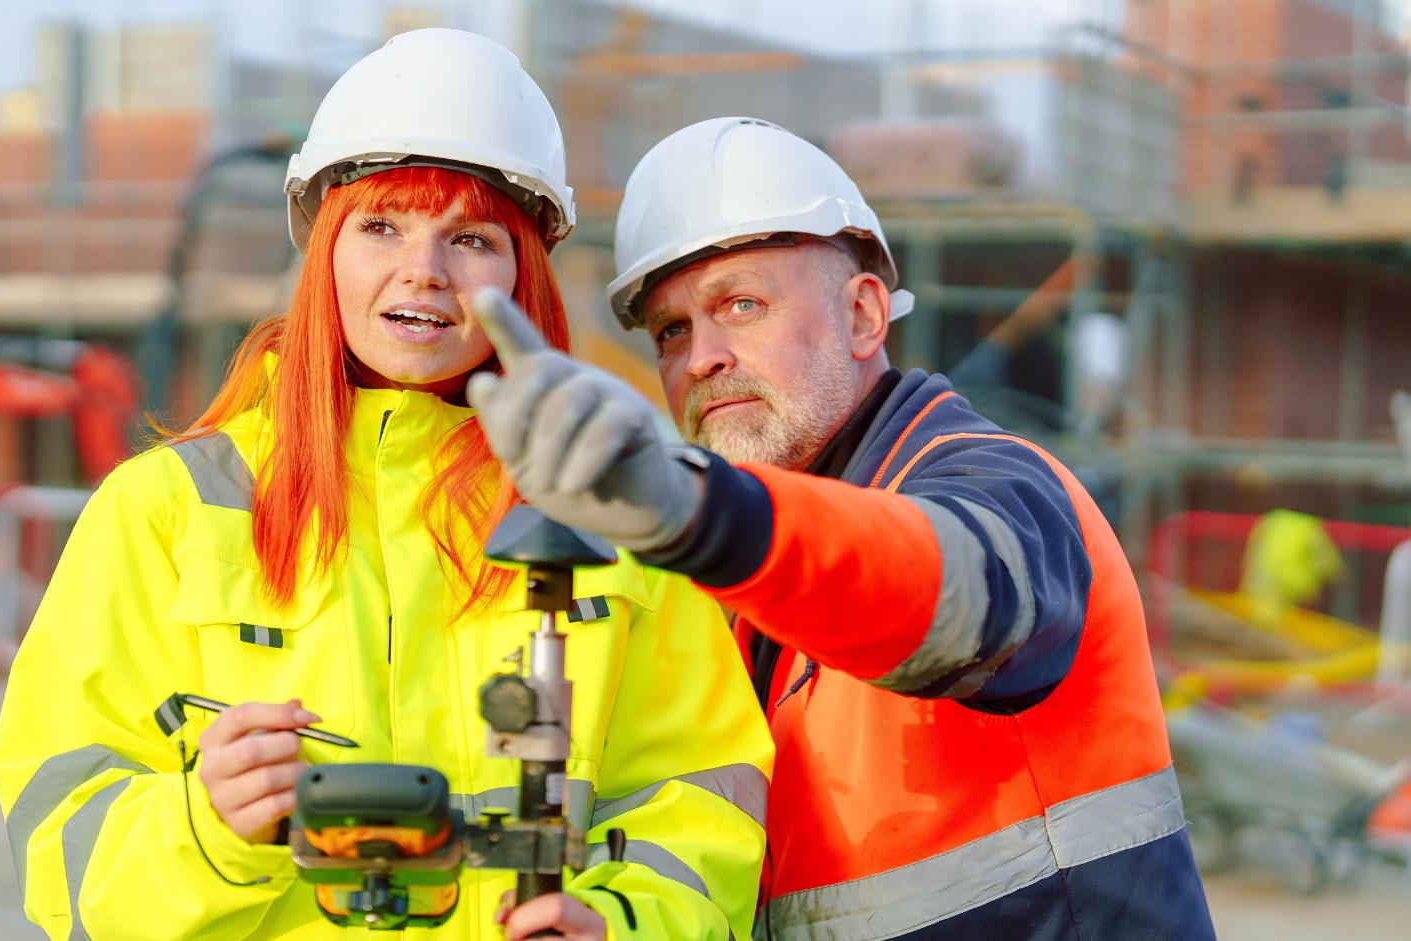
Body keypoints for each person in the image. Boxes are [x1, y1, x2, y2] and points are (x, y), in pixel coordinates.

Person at [0, 34, 771, 941]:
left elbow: (700, 802)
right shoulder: (161, 511)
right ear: (325, 249)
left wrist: (619, 924)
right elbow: (62, 847)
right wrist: (205, 829)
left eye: (471, 238)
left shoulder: (615, 516)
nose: (424, 272)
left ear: (524, 270)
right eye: (382, 226)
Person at [466, 116, 1215, 940]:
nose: (702, 357)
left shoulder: (997, 483)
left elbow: (965, 596)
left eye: (741, 304)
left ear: (864, 316)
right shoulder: (733, 590)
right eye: (673, 330)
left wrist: (699, 513)